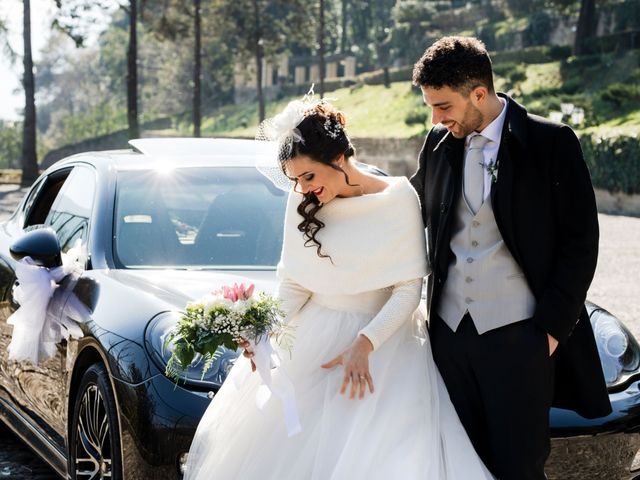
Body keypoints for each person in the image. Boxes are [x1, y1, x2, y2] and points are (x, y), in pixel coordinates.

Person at [183, 98, 494, 479]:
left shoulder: (397, 199)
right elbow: (293, 285)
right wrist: (264, 330)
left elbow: (408, 290)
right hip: (313, 343)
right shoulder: (300, 203)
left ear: (339, 158)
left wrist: (365, 344)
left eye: (309, 176)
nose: (303, 189)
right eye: (296, 179)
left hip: (387, 349)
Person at [409, 36, 612, 480]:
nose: (436, 118)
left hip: (520, 337)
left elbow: (581, 243)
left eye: (443, 106)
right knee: (460, 462)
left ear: (478, 93)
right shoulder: (438, 144)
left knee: (519, 466)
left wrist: (551, 331)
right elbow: (408, 210)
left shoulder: (551, 143)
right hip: (449, 336)